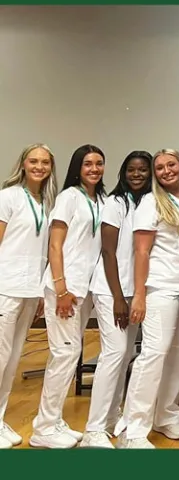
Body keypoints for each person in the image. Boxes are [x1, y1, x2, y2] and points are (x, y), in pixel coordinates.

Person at [30, 145, 106, 449]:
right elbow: (55, 245)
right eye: (88, 164)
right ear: (78, 167)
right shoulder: (68, 197)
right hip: (65, 289)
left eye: (99, 163)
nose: (94, 169)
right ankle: (43, 428)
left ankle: (54, 420)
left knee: (70, 355)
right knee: (63, 355)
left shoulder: (98, 199)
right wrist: (61, 288)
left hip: (84, 289)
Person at [114, 149, 179, 449]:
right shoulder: (150, 202)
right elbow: (141, 251)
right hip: (160, 287)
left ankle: (166, 415)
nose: (166, 171)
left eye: (171, 165)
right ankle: (133, 428)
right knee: (154, 355)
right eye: (159, 168)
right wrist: (140, 295)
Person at [81, 151, 152, 448]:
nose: (137, 175)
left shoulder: (149, 202)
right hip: (111, 289)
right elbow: (108, 252)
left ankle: (111, 417)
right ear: (123, 173)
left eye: (143, 170)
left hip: (134, 292)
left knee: (123, 356)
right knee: (114, 353)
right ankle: (93, 427)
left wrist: (135, 295)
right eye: (131, 170)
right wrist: (118, 297)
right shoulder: (115, 203)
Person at [0, 144, 57, 449]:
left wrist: (38, 295)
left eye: (44, 162)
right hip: (5, 288)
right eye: (33, 161)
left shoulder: (46, 201)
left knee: (12, 358)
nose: (39, 166)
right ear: (23, 164)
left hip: (30, 290)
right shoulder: (7, 197)